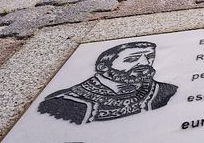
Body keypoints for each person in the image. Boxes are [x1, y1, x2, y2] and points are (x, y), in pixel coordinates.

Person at [38, 41, 177, 124]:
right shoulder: (62, 102)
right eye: (131, 59)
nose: (145, 63)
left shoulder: (167, 90)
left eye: (150, 57)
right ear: (103, 67)